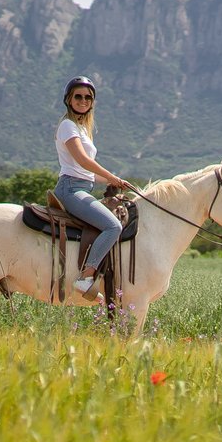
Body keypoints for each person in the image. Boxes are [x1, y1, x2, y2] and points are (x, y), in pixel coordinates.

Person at [54, 76, 132, 295]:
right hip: (71, 190)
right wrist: (112, 177)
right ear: (69, 99)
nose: (83, 100)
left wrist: (112, 181)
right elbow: (83, 161)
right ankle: (86, 277)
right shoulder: (67, 126)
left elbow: (87, 172)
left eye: (88, 97)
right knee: (113, 226)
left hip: (82, 186)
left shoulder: (81, 129)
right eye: (78, 96)